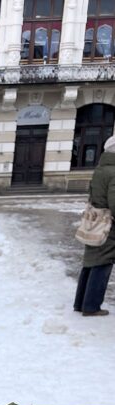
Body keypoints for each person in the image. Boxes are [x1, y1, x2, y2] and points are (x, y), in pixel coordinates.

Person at [74, 135, 115, 317]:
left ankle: (80, 303)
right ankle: (91, 306)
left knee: (90, 262)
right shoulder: (114, 172)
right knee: (103, 263)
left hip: (94, 220)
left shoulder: (100, 169)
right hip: (107, 224)